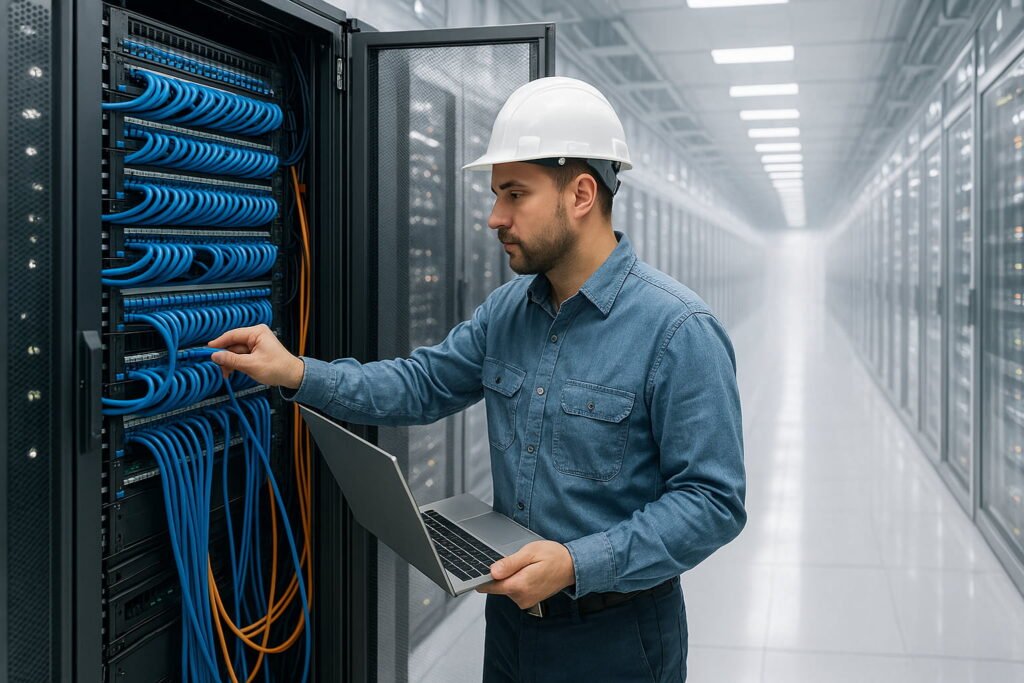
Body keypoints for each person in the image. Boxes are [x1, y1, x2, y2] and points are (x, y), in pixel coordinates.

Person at [208, 76, 746, 682]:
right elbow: (420, 385)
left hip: (617, 638)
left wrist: (575, 562)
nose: (495, 217)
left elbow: (713, 502)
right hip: (513, 626)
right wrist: (297, 372)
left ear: (582, 194)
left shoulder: (678, 330)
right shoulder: (506, 311)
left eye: (515, 194)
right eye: (496, 195)